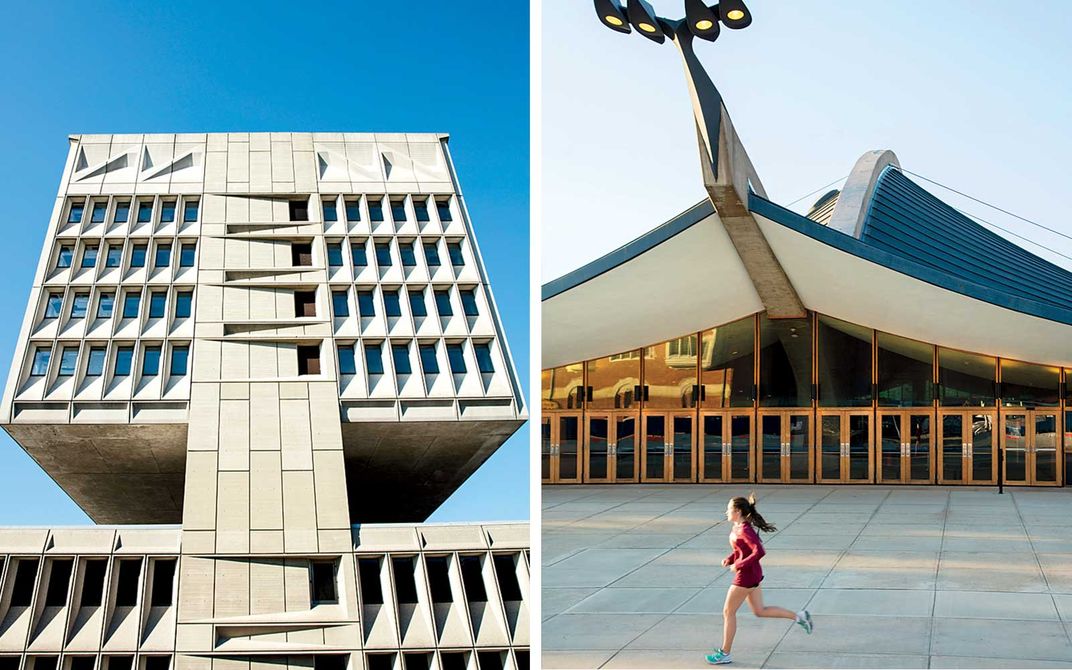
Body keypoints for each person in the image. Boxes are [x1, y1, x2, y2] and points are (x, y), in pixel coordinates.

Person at [705, 493, 813, 665]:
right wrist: (731, 558)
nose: (726, 512)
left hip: (745, 577)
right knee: (759, 610)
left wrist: (738, 566)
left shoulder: (745, 529)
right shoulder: (737, 526)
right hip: (752, 574)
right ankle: (799, 617)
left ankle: (725, 653)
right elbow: (743, 550)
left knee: (728, 612)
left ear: (738, 511)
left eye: (729, 509)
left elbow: (759, 551)